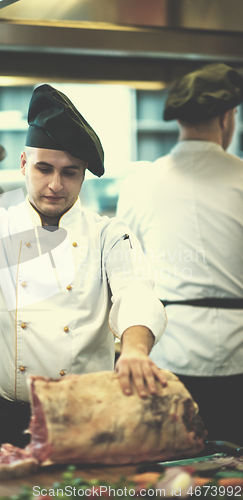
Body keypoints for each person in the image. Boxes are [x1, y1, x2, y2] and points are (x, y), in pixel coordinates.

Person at [0, 84, 167, 455]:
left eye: (70, 173)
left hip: (81, 414)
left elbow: (137, 294)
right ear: (23, 164)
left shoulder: (109, 234)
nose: (55, 185)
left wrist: (135, 351)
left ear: (83, 175)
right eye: (44, 169)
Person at [117, 63, 243, 445]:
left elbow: (125, 274)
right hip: (239, 356)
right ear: (227, 118)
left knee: (175, 470)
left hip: (166, 358)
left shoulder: (139, 184)